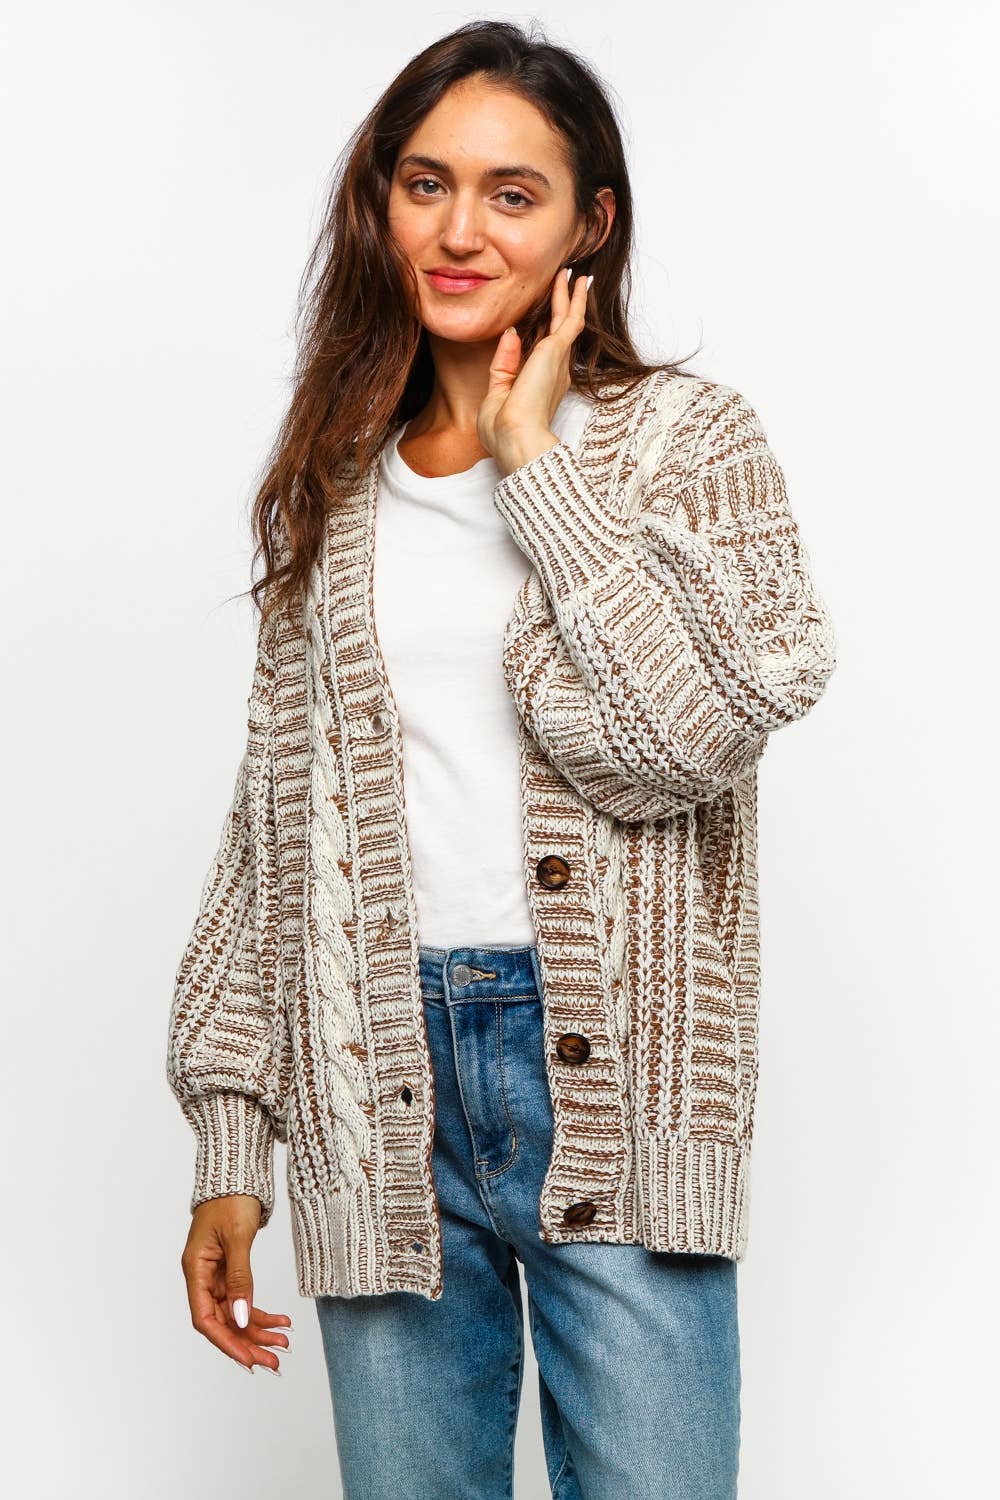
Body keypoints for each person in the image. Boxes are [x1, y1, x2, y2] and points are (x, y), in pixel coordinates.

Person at [166, 19, 837, 1500]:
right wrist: (232, 1138)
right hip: (373, 1072)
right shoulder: (337, 478)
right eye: (427, 183)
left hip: (620, 1081)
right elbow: (274, 830)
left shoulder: (687, 444)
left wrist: (538, 469)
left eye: (512, 194)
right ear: (382, 201)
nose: (460, 231)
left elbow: (691, 737)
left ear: (591, 223)